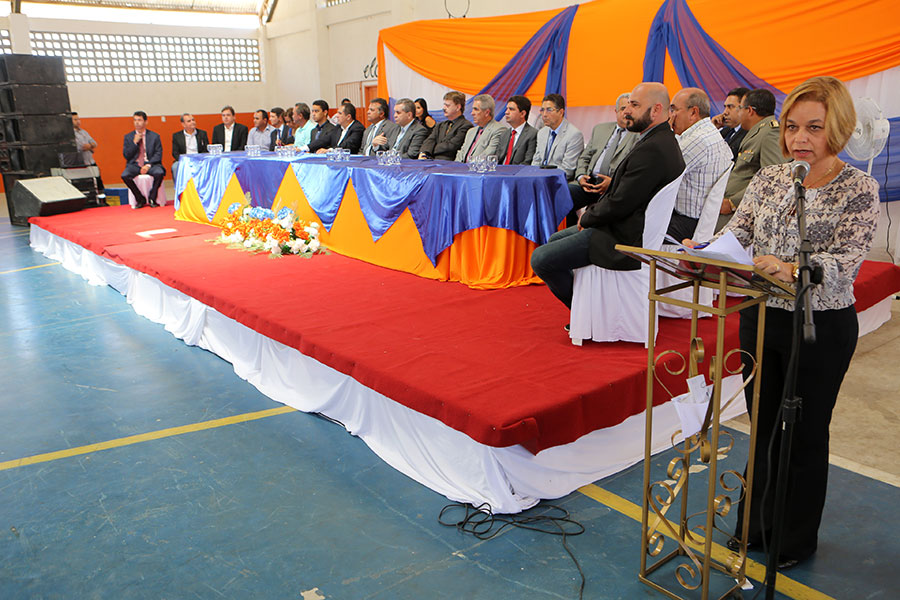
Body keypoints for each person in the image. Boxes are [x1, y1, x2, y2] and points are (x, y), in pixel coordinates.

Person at [684, 76, 880, 569]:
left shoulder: (859, 187)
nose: (799, 139)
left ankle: (792, 540)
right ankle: (753, 526)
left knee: (805, 432)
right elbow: (740, 232)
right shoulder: (772, 177)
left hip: (820, 326)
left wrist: (791, 268)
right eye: (792, 127)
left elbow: (845, 263)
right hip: (761, 319)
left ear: (838, 128)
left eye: (814, 127)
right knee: (765, 426)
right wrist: (707, 248)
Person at [530, 82, 684, 309]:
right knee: (554, 240)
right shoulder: (658, 140)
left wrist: (588, 217)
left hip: (623, 235)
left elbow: (621, 203)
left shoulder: (653, 148)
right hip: (623, 224)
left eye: (634, 104)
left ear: (656, 110)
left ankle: (585, 312)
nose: (627, 111)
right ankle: (586, 310)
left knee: (541, 259)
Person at [666, 87, 733, 240]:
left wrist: (664, 132)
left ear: (693, 112)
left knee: (629, 224)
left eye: (674, 109)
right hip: (692, 219)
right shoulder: (704, 132)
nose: (671, 116)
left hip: (687, 223)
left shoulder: (698, 140)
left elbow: (660, 172)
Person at [717, 88, 786, 231]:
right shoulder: (757, 132)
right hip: (734, 212)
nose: (738, 113)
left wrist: (732, 203)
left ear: (750, 111)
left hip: (742, 215)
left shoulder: (769, 134)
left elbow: (773, 179)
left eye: (740, 108)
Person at [567, 92, 638, 226]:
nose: (626, 112)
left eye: (630, 109)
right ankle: (569, 231)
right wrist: (581, 176)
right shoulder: (600, 129)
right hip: (589, 182)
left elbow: (632, 168)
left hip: (613, 187)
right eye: (623, 109)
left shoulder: (637, 135)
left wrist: (612, 183)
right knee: (560, 195)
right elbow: (584, 157)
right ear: (616, 111)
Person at [530, 93, 585, 181]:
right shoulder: (542, 132)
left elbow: (568, 171)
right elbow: (536, 161)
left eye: (549, 110)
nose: (544, 114)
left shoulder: (574, 135)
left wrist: (542, 177)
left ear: (561, 112)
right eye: (542, 110)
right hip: (539, 178)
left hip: (557, 181)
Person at [121, 110, 165, 209]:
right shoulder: (128, 137)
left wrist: (148, 165)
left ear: (146, 122)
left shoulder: (154, 136)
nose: (137, 122)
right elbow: (127, 155)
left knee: (159, 173)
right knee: (125, 175)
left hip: (151, 164)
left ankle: (152, 197)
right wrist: (134, 143)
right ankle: (139, 198)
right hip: (135, 164)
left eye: (139, 120)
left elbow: (158, 154)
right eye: (135, 120)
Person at [418, 91, 473, 161]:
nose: (444, 108)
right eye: (444, 105)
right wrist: (424, 153)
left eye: (447, 105)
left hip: (449, 164)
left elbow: (451, 146)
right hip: (432, 161)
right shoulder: (441, 125)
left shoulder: (466, 126)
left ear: (458, 107)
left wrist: (431, 149)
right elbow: (429, 140)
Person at [455, 94, 509, 163]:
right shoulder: (471, 131)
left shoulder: (499, 130)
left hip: (479, 171)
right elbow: (461, 154)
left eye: (476, 109)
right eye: (472, 109)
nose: (472, 113)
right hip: (461, 170)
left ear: (487, 112)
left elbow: (488, 155)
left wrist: (467, 167)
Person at [72, 112, 105, 201]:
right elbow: (81, 146)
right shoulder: (71, 134)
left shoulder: (84, 132)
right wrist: (90, 146)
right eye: (75, 119)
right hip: (81, 163)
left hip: (91, 161)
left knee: (98, 181)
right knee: (87, 184)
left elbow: (94, 143)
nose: (78, 121)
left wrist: (90, 146)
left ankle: (102, 200)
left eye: (78, 119)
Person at [712, 86, 750, 159]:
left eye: (730, 107)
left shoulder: (749, 134)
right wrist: (713, 128)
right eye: (725, 107)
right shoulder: (726, 131)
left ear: (744, 108)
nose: (725, 112)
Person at [500, 95, 537, 165]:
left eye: (511, 109)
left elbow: (527, 162)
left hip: (517, 174)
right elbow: (497, 159)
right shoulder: (504, 134)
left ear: (522, 114)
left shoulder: (532, 134)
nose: (506, 112)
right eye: (506, 109)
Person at [171, 113, 209, 179]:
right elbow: (175, 153)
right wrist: (184, 161)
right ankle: (179, 188)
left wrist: (199, 159)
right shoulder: (177, 136)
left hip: (199, 160)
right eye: (189, 121)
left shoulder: (202, 134)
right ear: (183, 124)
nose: (192, 122)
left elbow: (206, 150)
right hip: (184, 161)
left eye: (193, 120)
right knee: (175, 167)